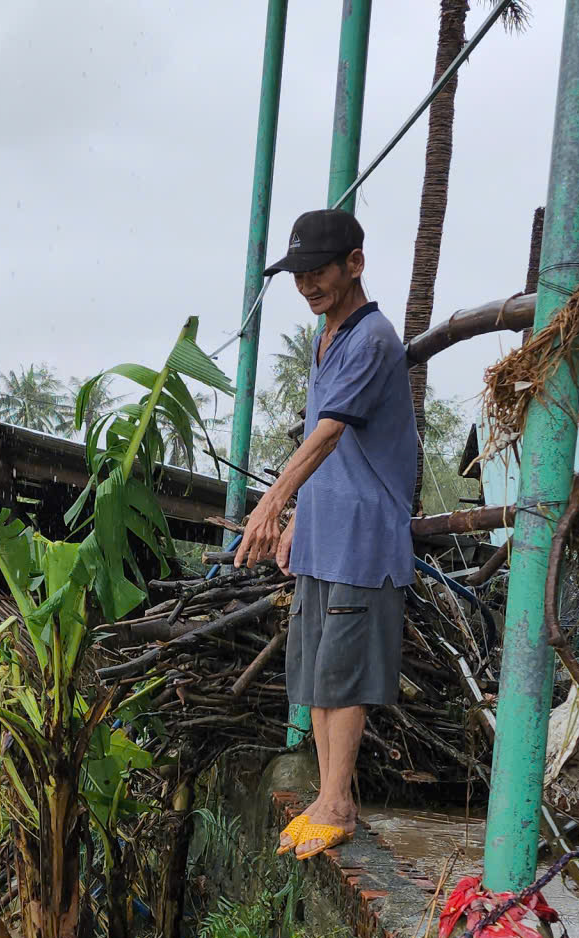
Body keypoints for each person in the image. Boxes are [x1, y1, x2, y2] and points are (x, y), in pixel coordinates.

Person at [234, 207, 421, 861]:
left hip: (363, 539)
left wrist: (271, 503)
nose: (308, 284)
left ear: (355, 264)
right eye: (299, 275)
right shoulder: (326, 339)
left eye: (318, 272)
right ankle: (324, 793)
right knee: (313, 669)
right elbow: (325, 452)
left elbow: (331, 432)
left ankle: (339, 800)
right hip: (324, 532)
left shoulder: (371, 340)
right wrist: (296, 520)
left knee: (342, 673)